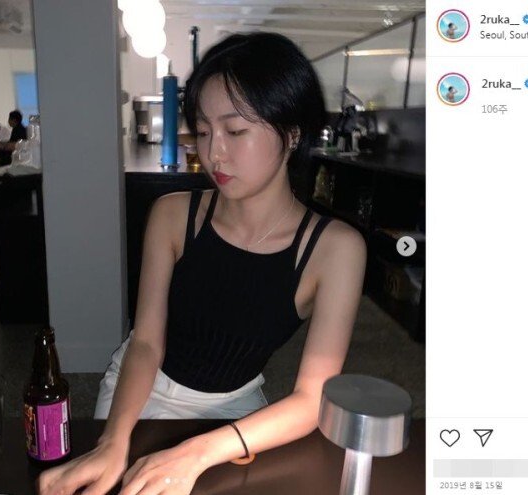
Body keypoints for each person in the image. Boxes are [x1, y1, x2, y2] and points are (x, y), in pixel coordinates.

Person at [37, 32, 366, 495]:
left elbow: (313, 399)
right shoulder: (174, 215)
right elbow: (146, 342)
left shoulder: (334, 249)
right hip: (142, 389)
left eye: (235, 131)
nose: (213, 154)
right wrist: (113, 441)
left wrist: (195, 452)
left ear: (292, 134)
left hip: (235, 409)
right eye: (204, 131)